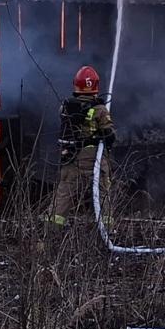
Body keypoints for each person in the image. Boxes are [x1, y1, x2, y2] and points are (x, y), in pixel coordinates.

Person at [46, 65, 115, 226]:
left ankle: (50, 229)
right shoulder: (99, 109)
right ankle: (107, 230)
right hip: (93, 158)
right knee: (102, 193)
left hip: (70, 155)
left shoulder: (66, 107)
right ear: (96, 87)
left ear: (76, 85)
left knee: (64, 192)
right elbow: (109, 135)